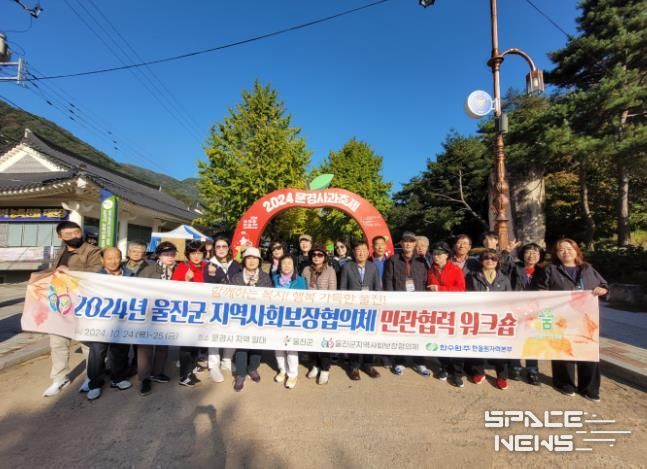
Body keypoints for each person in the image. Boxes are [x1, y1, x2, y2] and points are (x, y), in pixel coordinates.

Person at [534, 238, 608, 402]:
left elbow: (604, 285)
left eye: (569, 248)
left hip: (586, 318)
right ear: (556, 254)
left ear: (576, 250)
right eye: (561, 249)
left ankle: (589, 388)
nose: (565, 252)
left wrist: (602, 290)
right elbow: (540, 289)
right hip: (561, 318)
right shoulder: (551, 269)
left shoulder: (587, 269)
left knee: (587, 350)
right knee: (563, 349)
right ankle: (564, 384)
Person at [42, 221, 102, 397]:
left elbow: (97, 272)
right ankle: (59, 378)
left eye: (77, 232)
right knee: (58, 343)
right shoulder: (61, 252)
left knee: (86, 342)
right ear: (60, 236)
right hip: (60, 304)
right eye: (68, 234)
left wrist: (70, 271)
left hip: (83, 304)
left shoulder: (93, 251)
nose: (74, 236)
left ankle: (91, 377)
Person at [84, 247, 134, 400]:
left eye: (116, 257)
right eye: (109, 258)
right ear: (102, 260)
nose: (113, 261)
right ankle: (95, 384)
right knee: (98, 353)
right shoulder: (94, 278)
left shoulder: (131, 276)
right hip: (100, 322)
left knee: (120, 350)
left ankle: (118, 378)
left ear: (121, 258)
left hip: (122, 320)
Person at [383, 231, 430, 377]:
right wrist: (391, 301)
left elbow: (425, 281)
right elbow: (388, 280)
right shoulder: (393, 259)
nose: (408, 244)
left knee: (418, 332)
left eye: (411, 241)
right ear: (401, 243)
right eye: (405, 241)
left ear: (415, 243)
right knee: (400, 332)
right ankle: (400, 361)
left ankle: (419, 361)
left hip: (418, 302)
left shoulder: (422, 260)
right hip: (399, 302)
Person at [465, 249, 513, 390]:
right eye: (486, 258)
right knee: (477, 344)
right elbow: (466, 295)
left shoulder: (504, 278)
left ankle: (502, 376)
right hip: (478, 316)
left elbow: (510, 298)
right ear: (481, 261)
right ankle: (478, 371)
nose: (490, 261)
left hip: (498, 318)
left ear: (498, 261)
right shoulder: (472, 276)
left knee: (499, 347)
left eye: (493, 258)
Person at [137, 241, 178, 396]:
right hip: (149, 311)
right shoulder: (149, 270)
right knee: (145, 347)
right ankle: (145, 378)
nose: (170, 257)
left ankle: (157, 372)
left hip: (168, 312)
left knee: (162, 345)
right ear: (159, 255)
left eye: (172, 254)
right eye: (166, 254)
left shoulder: (178, 270)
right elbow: (137, 289)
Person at [230, 247, 273, 391]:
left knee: (257, 344)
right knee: (241, 345)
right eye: (248, 258)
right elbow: (231, 297)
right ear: (244, 260)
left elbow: (270, 297)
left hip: (259, 317)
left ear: (259, 261)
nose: (252, 261)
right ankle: (240, 374)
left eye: (255, 258)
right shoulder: (236, 277)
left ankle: (252, 368)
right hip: (241, 317)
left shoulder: (265, 277)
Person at [426, 242, 466, 387]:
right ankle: (444, 367)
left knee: (454, 342)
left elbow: (461, 290)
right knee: (440, 341)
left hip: (453, 311)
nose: (436, 256)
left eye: (439, 254)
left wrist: (440, 289)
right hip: (437, 311)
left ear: (447, 255)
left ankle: (457, 373)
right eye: (434, 254)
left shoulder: (455, 269)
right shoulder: (431, 270)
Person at [339, 240, 382, 380]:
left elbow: (377, 288)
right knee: (355, 337)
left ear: (368, 252)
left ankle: (368, 364)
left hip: (370, 309)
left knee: (369, 337)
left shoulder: (373, 267)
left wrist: (377, 307)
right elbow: (343, 288)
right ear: (353, 252)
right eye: (358, 250)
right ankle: (354, 366)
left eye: (364, 250)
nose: (361, 253)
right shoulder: (347, 267)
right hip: (353, 309)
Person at [203, 236, 241, 380]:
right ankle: (213, 364)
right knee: (214, 333)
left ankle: (227, 360)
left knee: (232, 332)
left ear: (229, 248)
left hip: (233, 306)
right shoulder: (209, 265)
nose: (221, 249)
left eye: (224, 246)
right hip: (215, 306)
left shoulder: (236, 265)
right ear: (214, 249)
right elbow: (206, 286)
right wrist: (213, 275)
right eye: (218, 247)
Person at [171, 240, 208, 387]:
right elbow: (173, 288)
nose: (196, 256)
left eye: (199, 253)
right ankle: (185, 376)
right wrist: (186, 280)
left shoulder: (207, 267)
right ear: (188, 254)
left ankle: (192, 366)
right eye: (193, 253)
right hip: (186, 311)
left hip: (202, 311)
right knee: (186, 343)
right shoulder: (182, 267)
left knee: (195, 342)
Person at [509, 242, 545, 385]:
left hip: (535, 310)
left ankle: (532, 369)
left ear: (540, 256)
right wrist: (506, 252)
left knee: (532, 339)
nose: (532, 255)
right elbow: (502, 267)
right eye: (528, 252)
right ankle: (515, 366)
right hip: (516, 309)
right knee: (516, 337)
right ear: (522, 254)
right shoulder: (514, 267)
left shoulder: (544, 271)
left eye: (535, 253)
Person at [302, 245, 337, 385]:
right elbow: (302, 289)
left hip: (325, 311)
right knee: (312, 340)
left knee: (324, 341)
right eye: (314, 254)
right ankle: (316, 365)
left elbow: (332, 291)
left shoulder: (330, 271)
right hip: (309, 311)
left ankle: (325, 369)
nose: (316, 257)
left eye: (320, 255)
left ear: (325, 257)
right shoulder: (306, 270)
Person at [271, 255, 306, 389]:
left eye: (289, 263)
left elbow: (304, 300)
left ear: (294, 265)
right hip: (277, 317)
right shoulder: (275, 279)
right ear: (280, 265)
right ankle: (282, 369)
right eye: (284, 263)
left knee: (291, 346)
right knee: (278, 345)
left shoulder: (300, 281)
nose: (286, 266)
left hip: (293, 318)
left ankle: (292, 373)